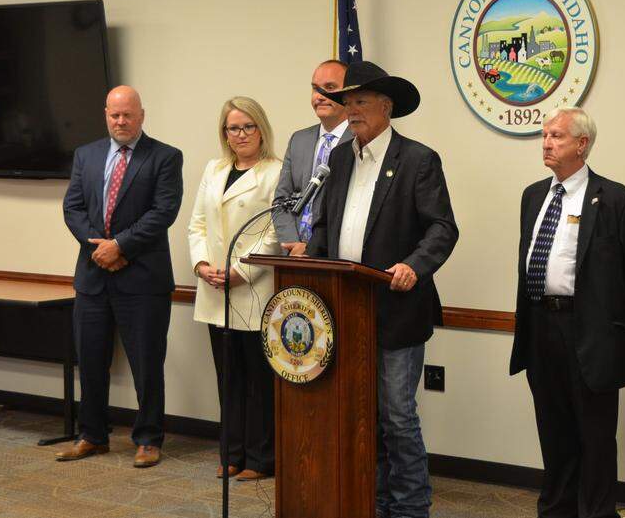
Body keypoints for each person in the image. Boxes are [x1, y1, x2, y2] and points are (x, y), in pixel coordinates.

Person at [304, 60, 458, 518]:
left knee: (396, 417)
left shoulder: (417, 159)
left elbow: (442, 229)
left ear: (386, 107)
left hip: (395, 310)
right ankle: (368, 499)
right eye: (346, 102)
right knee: (356, 414)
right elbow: (325, 227)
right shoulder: (337, 159)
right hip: (342, 310)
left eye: (361, 101)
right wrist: (309, 261)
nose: (350, 110)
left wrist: (414, 265)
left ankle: (410, 507)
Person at [509, 107, 625, 518]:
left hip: (590, 332)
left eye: (557, 136)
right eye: (544, 135)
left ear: (582, 144)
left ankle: (596, 513)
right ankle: (555, 509)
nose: (547, 143)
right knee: (554, 431)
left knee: (594, 436)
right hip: (540, 326)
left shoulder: (617, 201)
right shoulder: (534, 195)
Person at [59, 85, 183, 467]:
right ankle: (92, 435)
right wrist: (101, 249)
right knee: (91, 361)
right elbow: (73, 207)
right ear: (105, 115)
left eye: (128, 114)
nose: (121, 121)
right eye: (114, 114)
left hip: (143, 280)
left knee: (147, 364)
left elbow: (164, 212)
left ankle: (148, 439)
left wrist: (121, 247)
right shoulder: (87, 155)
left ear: (142, 115)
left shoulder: (164, 157)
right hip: (93, 278)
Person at [187, 96, 282, 481]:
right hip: (214, 287)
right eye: (232, 128)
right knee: (228, 378)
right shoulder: (214, 168)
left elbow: (278, 231)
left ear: (261, 129)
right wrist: (201, 265)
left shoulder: (276, 171)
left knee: (259, 381)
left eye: (247, 127)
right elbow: (197, 225)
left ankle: (261, 459)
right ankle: (231, 453)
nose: (240, 135)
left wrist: (243, 271)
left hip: (253, 287)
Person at [273, 59, 353, 257]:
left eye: (330, 88)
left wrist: (312, 248)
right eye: (315, 89)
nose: (320, 96)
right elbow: (280, 202)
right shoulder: (299, 140)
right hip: (294, 257)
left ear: (349, 93)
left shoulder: (361, 140)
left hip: (335, 256)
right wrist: (293, 244)